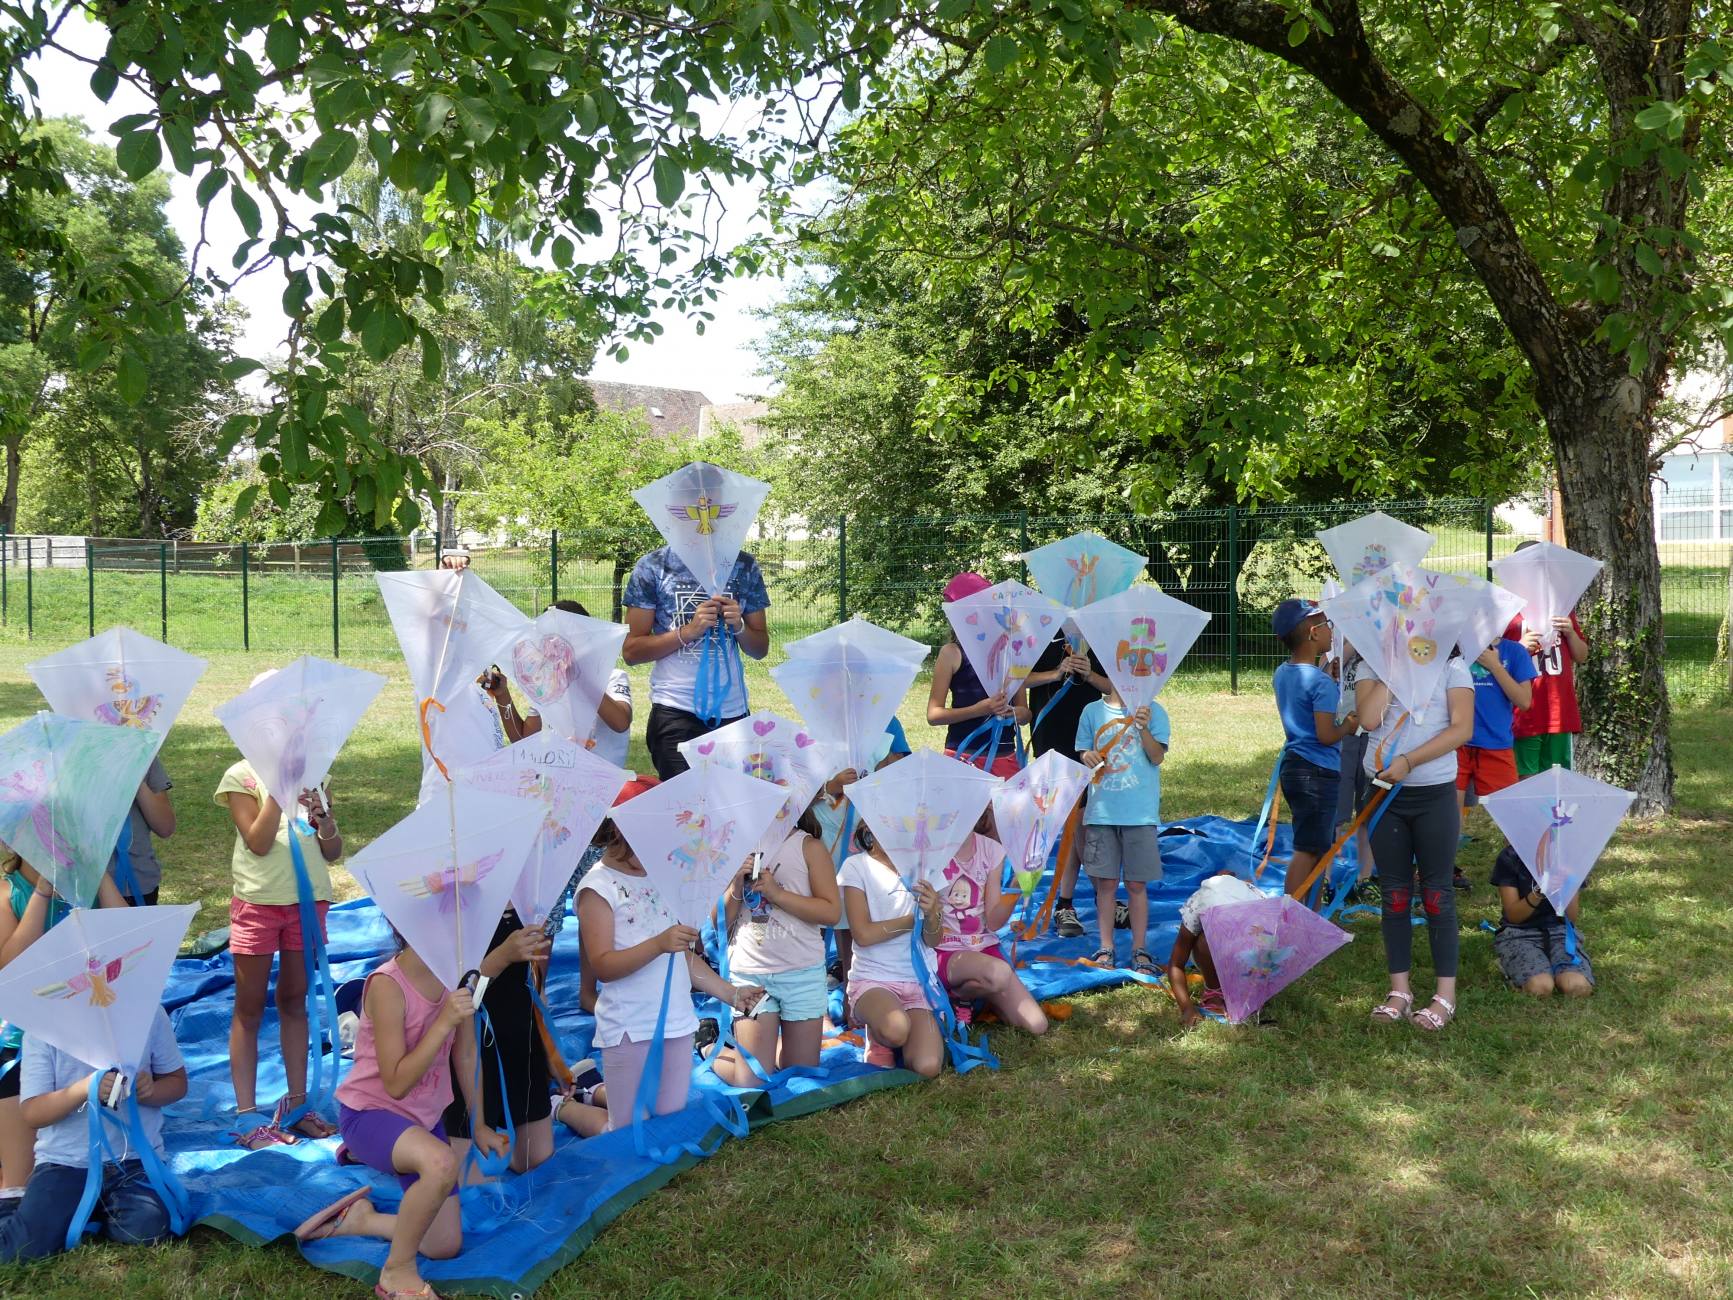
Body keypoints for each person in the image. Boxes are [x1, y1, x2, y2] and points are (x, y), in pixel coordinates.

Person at [294, 936, 504, 1299]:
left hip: (423, 1121)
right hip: (370, 1115)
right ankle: (397, 1272)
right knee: (441, 1163)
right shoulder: (388, 984)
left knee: (443, 1245)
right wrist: (444, 1022)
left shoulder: (459, 976)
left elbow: (467, 1054)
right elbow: (395, 1084)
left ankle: (363, 1220)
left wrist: (480, 1124)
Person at [577, 783, 762, 1129]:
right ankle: (568, 1106)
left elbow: (680, 956)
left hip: (677, 1024)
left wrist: (730, 993)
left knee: (669, 1120)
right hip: (629, 1028)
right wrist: (658, 944)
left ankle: (594, 1092)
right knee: (629, 1131)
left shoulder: (662, 879)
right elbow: (603, 965)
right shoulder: (597, 887)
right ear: (620, 831)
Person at [215, 718, 346, 1145]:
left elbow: (331, 850)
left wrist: (325, 820)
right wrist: (280, 788)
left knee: (294, 1001)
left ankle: (298, 1103)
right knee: (249, 1007)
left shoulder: (318, 775)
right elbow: (258, 841)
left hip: (308, 904)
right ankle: (247, 1114)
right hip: (259, 904)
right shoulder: (240, 776)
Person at [0, 1006, 187, 1259]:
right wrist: (83, 1089)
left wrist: (152, 1090)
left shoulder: (148, 1011)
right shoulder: (43, 1028)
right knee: (23, 1249)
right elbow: (34, 1113)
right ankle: (12, 1203)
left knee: (148, 1229)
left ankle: (96, 1209)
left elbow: (177, 1082)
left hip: (133, 1162)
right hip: (65, 1163)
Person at [1355, 647, 1475, 1032]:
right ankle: (1400, 990)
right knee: (1394, 893)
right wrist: (1393, 672)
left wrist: (1410, 761)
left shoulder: (1453, 667)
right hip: (1383, 795)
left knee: (1437, 893)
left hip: (1434, 795)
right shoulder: (1372, 664)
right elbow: (1369, 719)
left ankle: (1445, 995)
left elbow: (1462, 729)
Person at [0, 851, 126, 1202]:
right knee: (20, 1184)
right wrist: (42, 893)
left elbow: (127, 935)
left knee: (87, 1170)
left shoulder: (90, 889)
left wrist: (98, 874)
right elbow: (9, 967)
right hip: (25, 1038)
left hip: (92, 1031)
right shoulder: (9, 893)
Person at [711, 806, 841, 1086]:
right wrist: (736, 885)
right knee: (752, 1082)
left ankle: (768, 1050)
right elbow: (717, 923)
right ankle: (710, 1047)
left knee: (801, 1075)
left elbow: (831, 913)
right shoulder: (735, 846)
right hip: (751, 975)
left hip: (802, 975)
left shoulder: (809, 847)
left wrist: (777, 894)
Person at [621, 538, 770, 781]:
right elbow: (631, 651)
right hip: (676, 710)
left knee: (732, 801)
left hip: (733, 712)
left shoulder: (743, 565)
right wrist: (688, 632)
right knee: (685, 802)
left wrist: (739, 626)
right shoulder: (654, 566)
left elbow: (760, 649)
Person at [442, 911, 555, 1179]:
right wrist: (501, 957)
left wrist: (551, 1054)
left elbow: (536, 987)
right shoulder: (451, 905)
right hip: (468, 1045)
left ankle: (564, 1106)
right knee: (472, 1185)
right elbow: (457, 995)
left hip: (520, 1037)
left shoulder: (530, 898)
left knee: (536, 1162)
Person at [1074, 679, 1170, 973]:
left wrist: (1143, 728)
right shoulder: (1091, 711)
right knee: (1105, 885)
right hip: (1102, 814)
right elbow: (1084, 753)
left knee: (1136, 885)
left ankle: (1140, 949)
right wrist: (1087, 756)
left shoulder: (1154, 711)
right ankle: (1106, 948)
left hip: (1139, 815)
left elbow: (1157, 756)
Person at [812, 721, 911, 1007]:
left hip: (860, 834)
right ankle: (813, 988)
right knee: (818, 911)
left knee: (849, 913)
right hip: (824, 836)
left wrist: (875, 777)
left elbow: (896, 773)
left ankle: (851, 988)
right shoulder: (815, 735)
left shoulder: (882, 729)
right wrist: (832, 785)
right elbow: (801, 792)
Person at [837, 825, 946, 1077]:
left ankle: (900, 1031)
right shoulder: (856, 866)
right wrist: (913, 920)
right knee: (896, 1029)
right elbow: (863, 934)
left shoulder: (927, 867)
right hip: (874, 981)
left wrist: (932, 915)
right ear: (870, 826)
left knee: (928, 1067)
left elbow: (933, 940)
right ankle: (878, 1035)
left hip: (919, 982)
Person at [1270, 600, 1358, 903]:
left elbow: (1304, 703)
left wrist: (1328, 681)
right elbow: (1326, 735)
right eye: (1327, 625)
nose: (1332, 631)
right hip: (1317, 773)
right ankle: (1291, 914)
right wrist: (1348, 725)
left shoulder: (1283, 673)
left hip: (1295, 767)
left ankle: (1310, 914)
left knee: (1316, 848)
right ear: (1312, 633)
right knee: (1309, 851)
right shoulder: (1321, 683)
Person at [1023, 637, 1106, 937]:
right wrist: (1056, 673)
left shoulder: (1101, 634)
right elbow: (1018, 679)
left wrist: (1090, 674)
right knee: (1072, 821)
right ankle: (1081, 900)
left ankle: (1085, 898)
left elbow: (1119, 688)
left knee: (1084, 823)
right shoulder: (1041, 632)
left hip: (1094, 740)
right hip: (1052, 736)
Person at [934, 820, 1047, 1035]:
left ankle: (965, 994)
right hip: (944, 951)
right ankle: (963, 993)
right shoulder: (932, 850)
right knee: (999, 974)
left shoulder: (991, 849)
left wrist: (1017, 885)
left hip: (983, 948)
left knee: (1037, 1025)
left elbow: (994, 921)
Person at [928, 572, 1030, 778]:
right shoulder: (951, 653)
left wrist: (1014, 712)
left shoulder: (1009, 652)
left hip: (1004, 756)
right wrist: (978, 710)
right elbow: (933, 715)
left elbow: (1025, 714)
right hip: (964, 756)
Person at [1457, 626, 1539, 879]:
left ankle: (1518, 874)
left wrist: (1495, 665)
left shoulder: (1514, 652)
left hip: (1496, 745)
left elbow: (1524, 701)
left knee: (1511, 816)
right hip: (1455, 743)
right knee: (1448, 811)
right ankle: (1442, 870)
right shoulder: (1455, 648)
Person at [1510, 545, 1591, 778]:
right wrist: (1520, 648)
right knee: (1525, 778)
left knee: (1557, 779)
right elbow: (1496, 659)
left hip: (1558, 710)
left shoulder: (1562, 607)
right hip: (1525, 710)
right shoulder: (1509, 610)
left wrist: (1571, 633)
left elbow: (1582, 655)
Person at [524, 599, 633, 767]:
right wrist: (504, 697)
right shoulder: (546, 684)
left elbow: (620, 723)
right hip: (560, 778)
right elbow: (526, 739)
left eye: (564, 639)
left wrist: (579, 678)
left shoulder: (612, 677)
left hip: (602, 777)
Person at [419, 664, 532, 807]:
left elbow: (524, 739)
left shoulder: (479, 682)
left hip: (483, 795)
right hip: (448, 798)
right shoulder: (440, 674)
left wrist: (502, 694)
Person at [1490, 843, 1593, 998]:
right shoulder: (1511, 856)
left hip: (1560, 932)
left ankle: (1547, 966)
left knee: (1577, 987)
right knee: (1540, 988)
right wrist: (1539, 892)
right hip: (1519, 933)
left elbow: (1571, 918)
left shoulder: (1568, 856)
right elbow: (1514, 916)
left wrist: (1569, 885)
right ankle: (1510, 963)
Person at [1167, 871, 1264, 1028]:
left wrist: (1253, 992)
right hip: (1211, 949)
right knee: (1203, 942)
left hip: (1250, 950)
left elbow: (1271, 958)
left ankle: (1242, 989)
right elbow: (1176, 964)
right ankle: (1214, 990)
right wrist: (1187, 1008)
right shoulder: (1200, 904)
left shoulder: (1260, 905)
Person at [108, 758, 175, 907]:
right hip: (78, 887)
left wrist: (137, 782)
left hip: (135, 886)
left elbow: (165, 827)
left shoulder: (141, 754)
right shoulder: (61, 753)